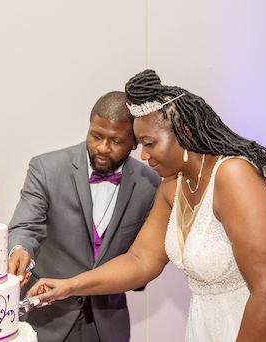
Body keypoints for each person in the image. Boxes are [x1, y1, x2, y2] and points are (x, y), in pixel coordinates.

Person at [26, 70, 266, 341]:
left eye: (149, 143)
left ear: (182, 131)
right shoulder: (173, 186)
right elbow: (141, 261)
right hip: (215, 323)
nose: (143, 155)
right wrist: (71, 285)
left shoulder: (233, 176)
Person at [8, 91, 161, 342]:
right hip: (47, 319)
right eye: (96, 136)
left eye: (115, 141)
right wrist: (19, 249)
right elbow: (26, 226)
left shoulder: (151, 184)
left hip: (108, 325)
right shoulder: (46, 168)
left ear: (135, 143)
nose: (102, 147)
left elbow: (142, 260)